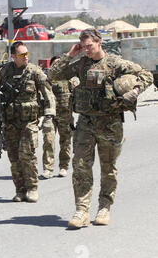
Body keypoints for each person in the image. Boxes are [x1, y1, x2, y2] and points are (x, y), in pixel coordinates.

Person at [49, 28, 153, 228]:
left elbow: (145, 74)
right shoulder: (80, 64)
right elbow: (54, 74)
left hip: (110, 123)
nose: (87, 50)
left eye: (90, 46)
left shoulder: (115, 63)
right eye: (83, 47)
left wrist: (136, 90)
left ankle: (104, 207)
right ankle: (81, 210)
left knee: (108, 168)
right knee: (80, 166)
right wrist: (71, 54)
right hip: (85, 123)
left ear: (99, 43)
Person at [0, 41, 55, 203]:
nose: (26, 57)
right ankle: (20, 189)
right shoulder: (3, 72)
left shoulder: (34, 72)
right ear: (13, 56)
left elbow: (48, 93)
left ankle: (32, 188)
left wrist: (49, 115)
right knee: (14, 157)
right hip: (9, 121)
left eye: (27, 54)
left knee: (27, 155)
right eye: (22, 55)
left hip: (29, 122)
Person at [41, 55, 75, 179]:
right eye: (55, 64)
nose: (58, 66)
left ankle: (64, 166)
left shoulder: (71, 80)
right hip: (51, 115)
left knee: (65, 142)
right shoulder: (46, 79)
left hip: (66, 116)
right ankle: (48, 168)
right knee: (48, 142)